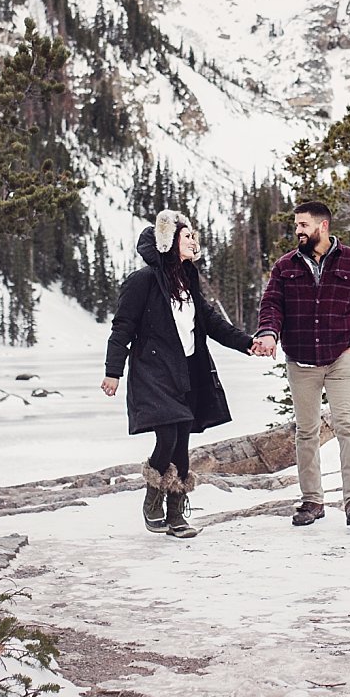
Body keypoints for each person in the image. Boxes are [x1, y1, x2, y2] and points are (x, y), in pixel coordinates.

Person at [103, 209, 255, 538]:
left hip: (187, 370)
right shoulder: (143, 281)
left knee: (182, 442)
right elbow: (123, 327)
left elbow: (211, 322)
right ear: (170, 242)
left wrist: (247, 343)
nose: (194, 241)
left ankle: (175, 514)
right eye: (187, 236)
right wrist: (113, 371)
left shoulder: (187, 280)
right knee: (168, 435)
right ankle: (152, 494)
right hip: (153, 370)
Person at [252, 200, 350, 526]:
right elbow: (272, 305)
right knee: (306, 432)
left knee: (347, 426)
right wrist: (268, 333)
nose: (297, 230)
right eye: (296, 225)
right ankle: (312, 501)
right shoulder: (285, 267)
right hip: (301, 363)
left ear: (322, 227)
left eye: (303, 225)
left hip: (341, 358)